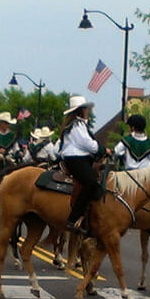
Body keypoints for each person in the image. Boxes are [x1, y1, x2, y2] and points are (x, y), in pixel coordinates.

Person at [59, 96, 102, 232]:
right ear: (81, 110)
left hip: (79, 158)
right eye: (86, 109)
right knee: (90, 182)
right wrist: (101, 149)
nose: (88, 111)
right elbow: (86, 143)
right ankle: (73, 219)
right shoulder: (76, 125)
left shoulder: (78, 124)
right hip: (75, 159)